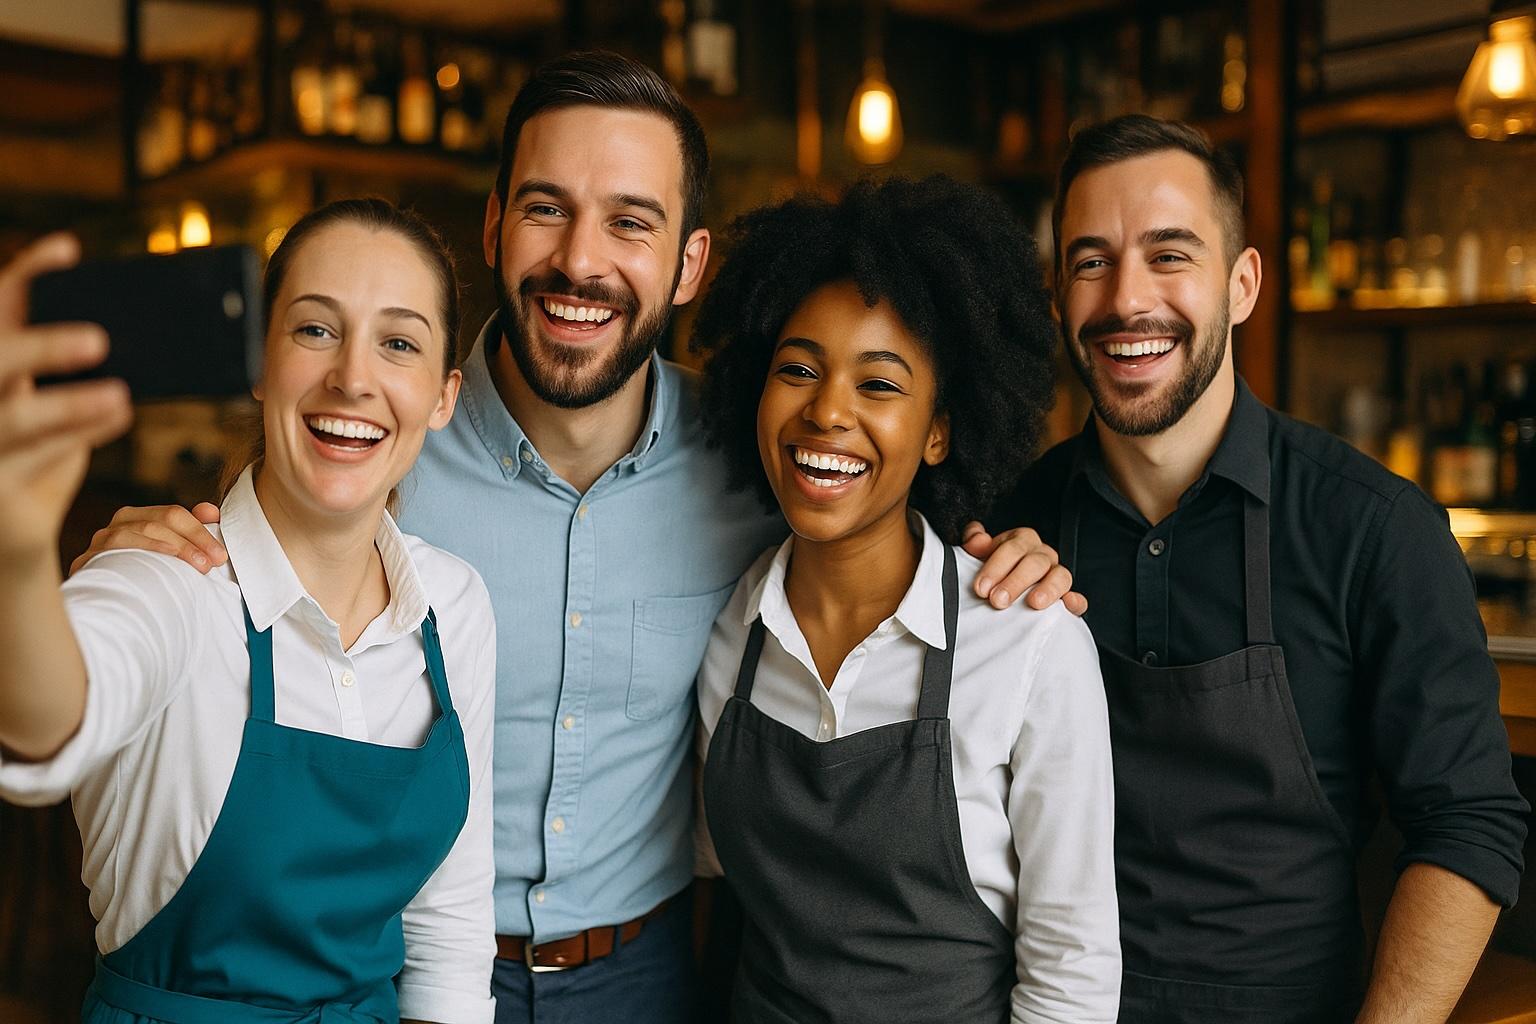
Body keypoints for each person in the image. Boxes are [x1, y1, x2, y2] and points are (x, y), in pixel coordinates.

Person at [72, 52, 1079, 1024]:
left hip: (649, 974)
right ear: (496, 225)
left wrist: (991, 551)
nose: (580, 260)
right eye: (547, 208)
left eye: (629, 222)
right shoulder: (376, 445)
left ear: (690, 263)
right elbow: (231, 576)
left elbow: (875, 509)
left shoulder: (758, 462)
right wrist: (142, 546)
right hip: (400, 971)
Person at [984, 114, 1528, 1024]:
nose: (1127, 300)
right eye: (1090, 261)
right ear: (1056, 298)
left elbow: (1469, 822)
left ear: (1242, 285)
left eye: (1169, 254)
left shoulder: (1374, 529)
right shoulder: (1007, 530)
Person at [0, 199, 497, 1023]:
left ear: (444, 396)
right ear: (260, 362)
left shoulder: (456, 607)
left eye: (399, 343)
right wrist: (16, 556)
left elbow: (448, 929)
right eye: (314, 330)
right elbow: (48, 722)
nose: (354, 378)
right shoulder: (168, 582)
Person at [690, 176, 1121, 1023]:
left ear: (939, 431)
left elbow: (1071, 971)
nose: (827, 413)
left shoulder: (1027, 643)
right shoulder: (734, 627)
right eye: (798, 369)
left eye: (879, 385)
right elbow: (717, 889)